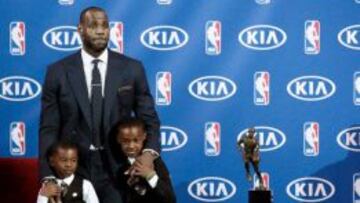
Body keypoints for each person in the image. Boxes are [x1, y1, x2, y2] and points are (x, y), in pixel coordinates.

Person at [39, 6, 161, 203]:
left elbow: (149, 119)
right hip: (73, 169)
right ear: (80, 30)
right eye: (93, 25)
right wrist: (48, 177)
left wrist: (148, 154)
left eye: (105, 25)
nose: (100, 30)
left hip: (119, 168)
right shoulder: (58, 72)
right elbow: (49, 128)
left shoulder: (132, 69)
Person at [114, 118, 176, 203]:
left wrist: (150, 175)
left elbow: (170, 199)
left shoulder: (155, 162)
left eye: (136, 140)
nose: (131, 146)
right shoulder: (115, 164)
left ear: (144, 136)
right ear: (118, 139)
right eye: (125, 141)